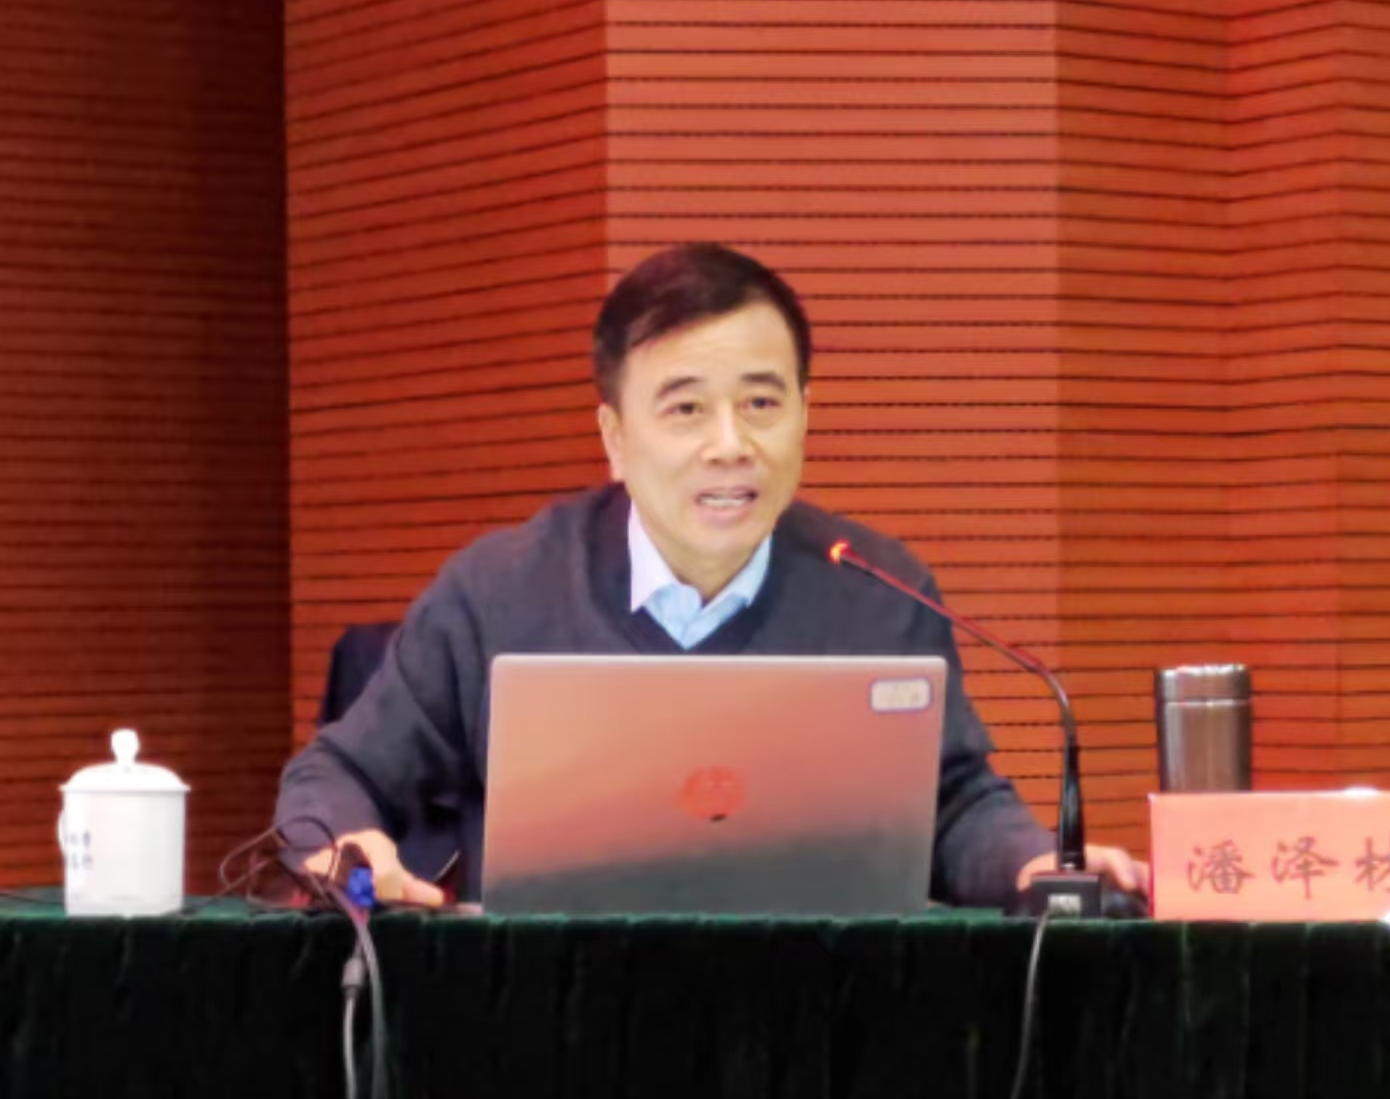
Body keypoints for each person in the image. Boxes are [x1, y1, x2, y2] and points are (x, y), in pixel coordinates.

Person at [275, 243, 1147, 908]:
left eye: (762, 404)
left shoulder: (877, 588)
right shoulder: (498, 591)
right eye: (686, 409)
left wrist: (1036, 864)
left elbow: (951, 805)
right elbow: (332, 776)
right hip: (554, 1018)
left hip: (817, 1015)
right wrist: (346, 848)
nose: (730, 444)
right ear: (616, 438)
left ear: (804, 415)